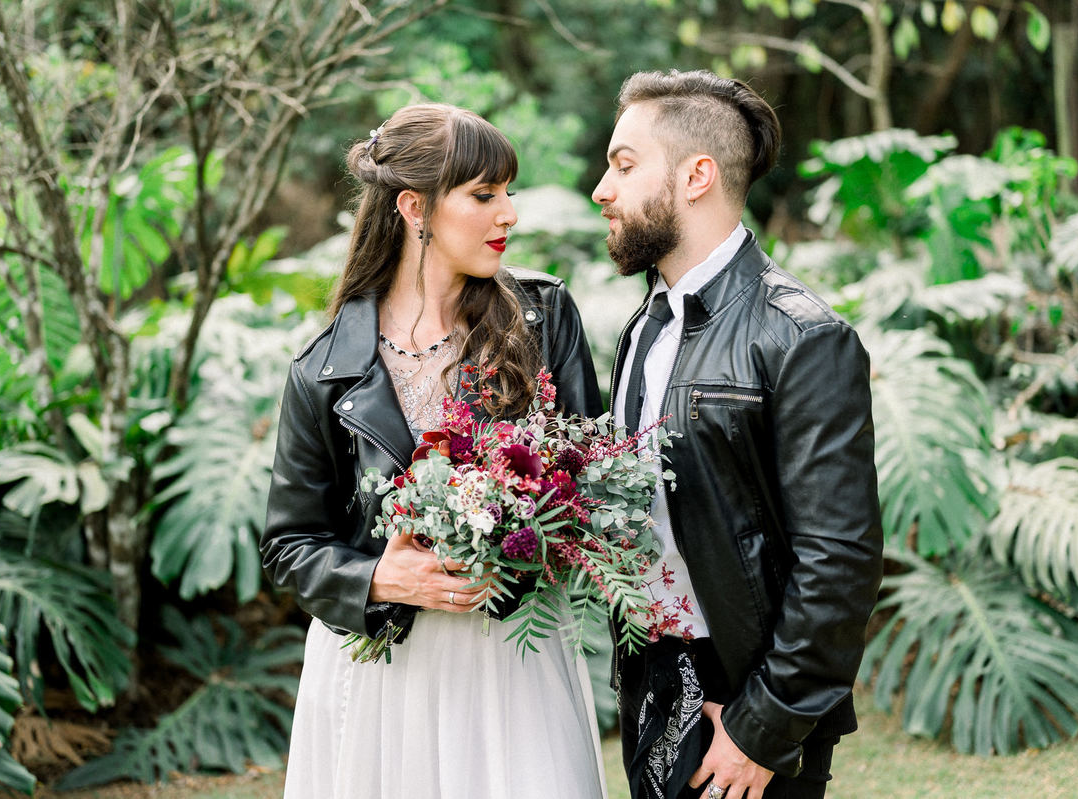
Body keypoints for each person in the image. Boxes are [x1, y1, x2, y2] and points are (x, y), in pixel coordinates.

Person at [261, 103, 607, 799]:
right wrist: (379, 579)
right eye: (483, 195)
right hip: (382, 670)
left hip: (513, 661)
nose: (508, 213)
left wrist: (527, 528)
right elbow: (290, 543)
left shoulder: (543, 319)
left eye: (508, 192)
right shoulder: (323, 370)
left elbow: (591, 479)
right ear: (414, 207)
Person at [592, 70, 884, 799]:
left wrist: (764, 726)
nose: (602, 189)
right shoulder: (644, 325)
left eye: (624, 165)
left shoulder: (802, 337)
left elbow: (840, 559)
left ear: (697, 176)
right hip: (651, 678)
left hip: (749, 704)